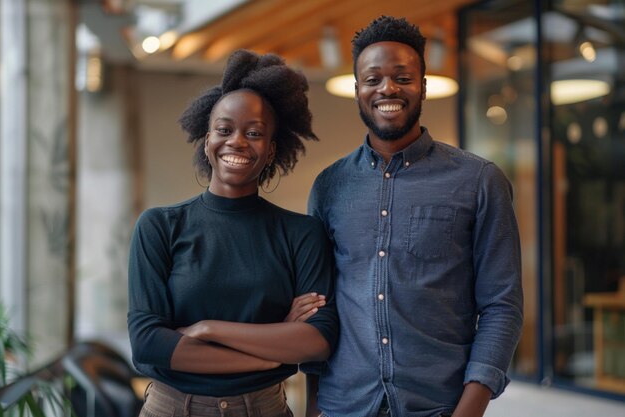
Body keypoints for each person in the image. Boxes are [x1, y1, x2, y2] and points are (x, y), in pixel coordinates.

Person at [305, 16, 523, 417]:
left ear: (422, 86)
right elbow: (321, 307)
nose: (387, 88)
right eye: (372, 79)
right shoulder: (329, 186)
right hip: (344, 404)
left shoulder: (479, 180)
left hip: (438, 405)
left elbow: (501, 306)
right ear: (357, 91)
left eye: (402, 77)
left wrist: (470, 408)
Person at [128, 49, 338, 417]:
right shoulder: (159, 226)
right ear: (206, 141)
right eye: (224, 130)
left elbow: (317, 341)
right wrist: (272, 350)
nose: (237, 141)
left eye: (254, 133)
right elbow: (148, 344)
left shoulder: (302, 233)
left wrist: (209, 329)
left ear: (271, 150)